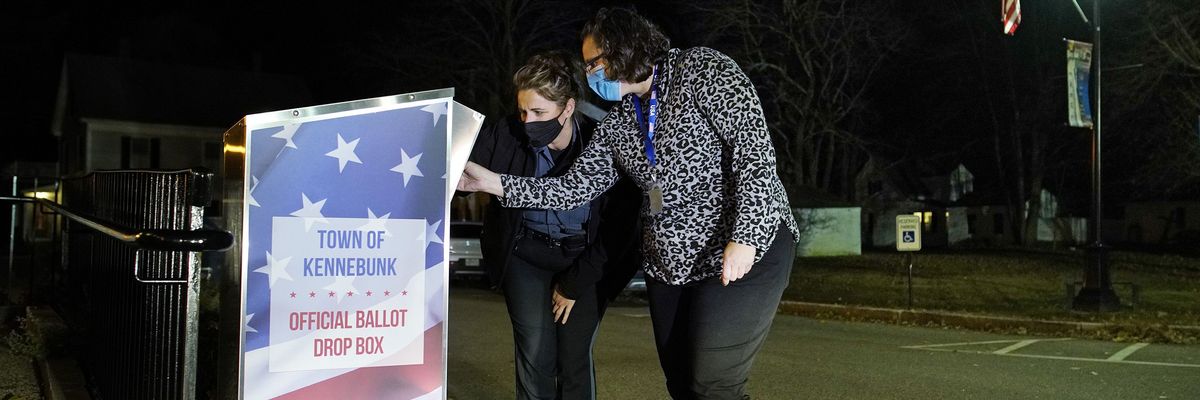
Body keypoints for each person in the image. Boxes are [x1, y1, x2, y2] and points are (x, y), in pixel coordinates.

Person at [458, 7, 800, 400]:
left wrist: (747, 236)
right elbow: (572, 189)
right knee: (682, 381)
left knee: (713, 382)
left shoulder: (703, 70)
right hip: (670, 266)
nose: (589, 76)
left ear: (626, 49)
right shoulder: (620, 123)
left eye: (594, 63)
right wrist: (495, 183)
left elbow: (753, 153)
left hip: (738, 251)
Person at [467, 50, 642, 400]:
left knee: (573, 356)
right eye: (523, 111)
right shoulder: (506, 134)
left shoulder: (602, 142)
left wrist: (575, 284)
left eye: (539, 113)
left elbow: (620, 227)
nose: (528, 121)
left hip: (584, 258)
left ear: (568, 108)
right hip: (526, 255)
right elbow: (463, 166)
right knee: (535, 352)